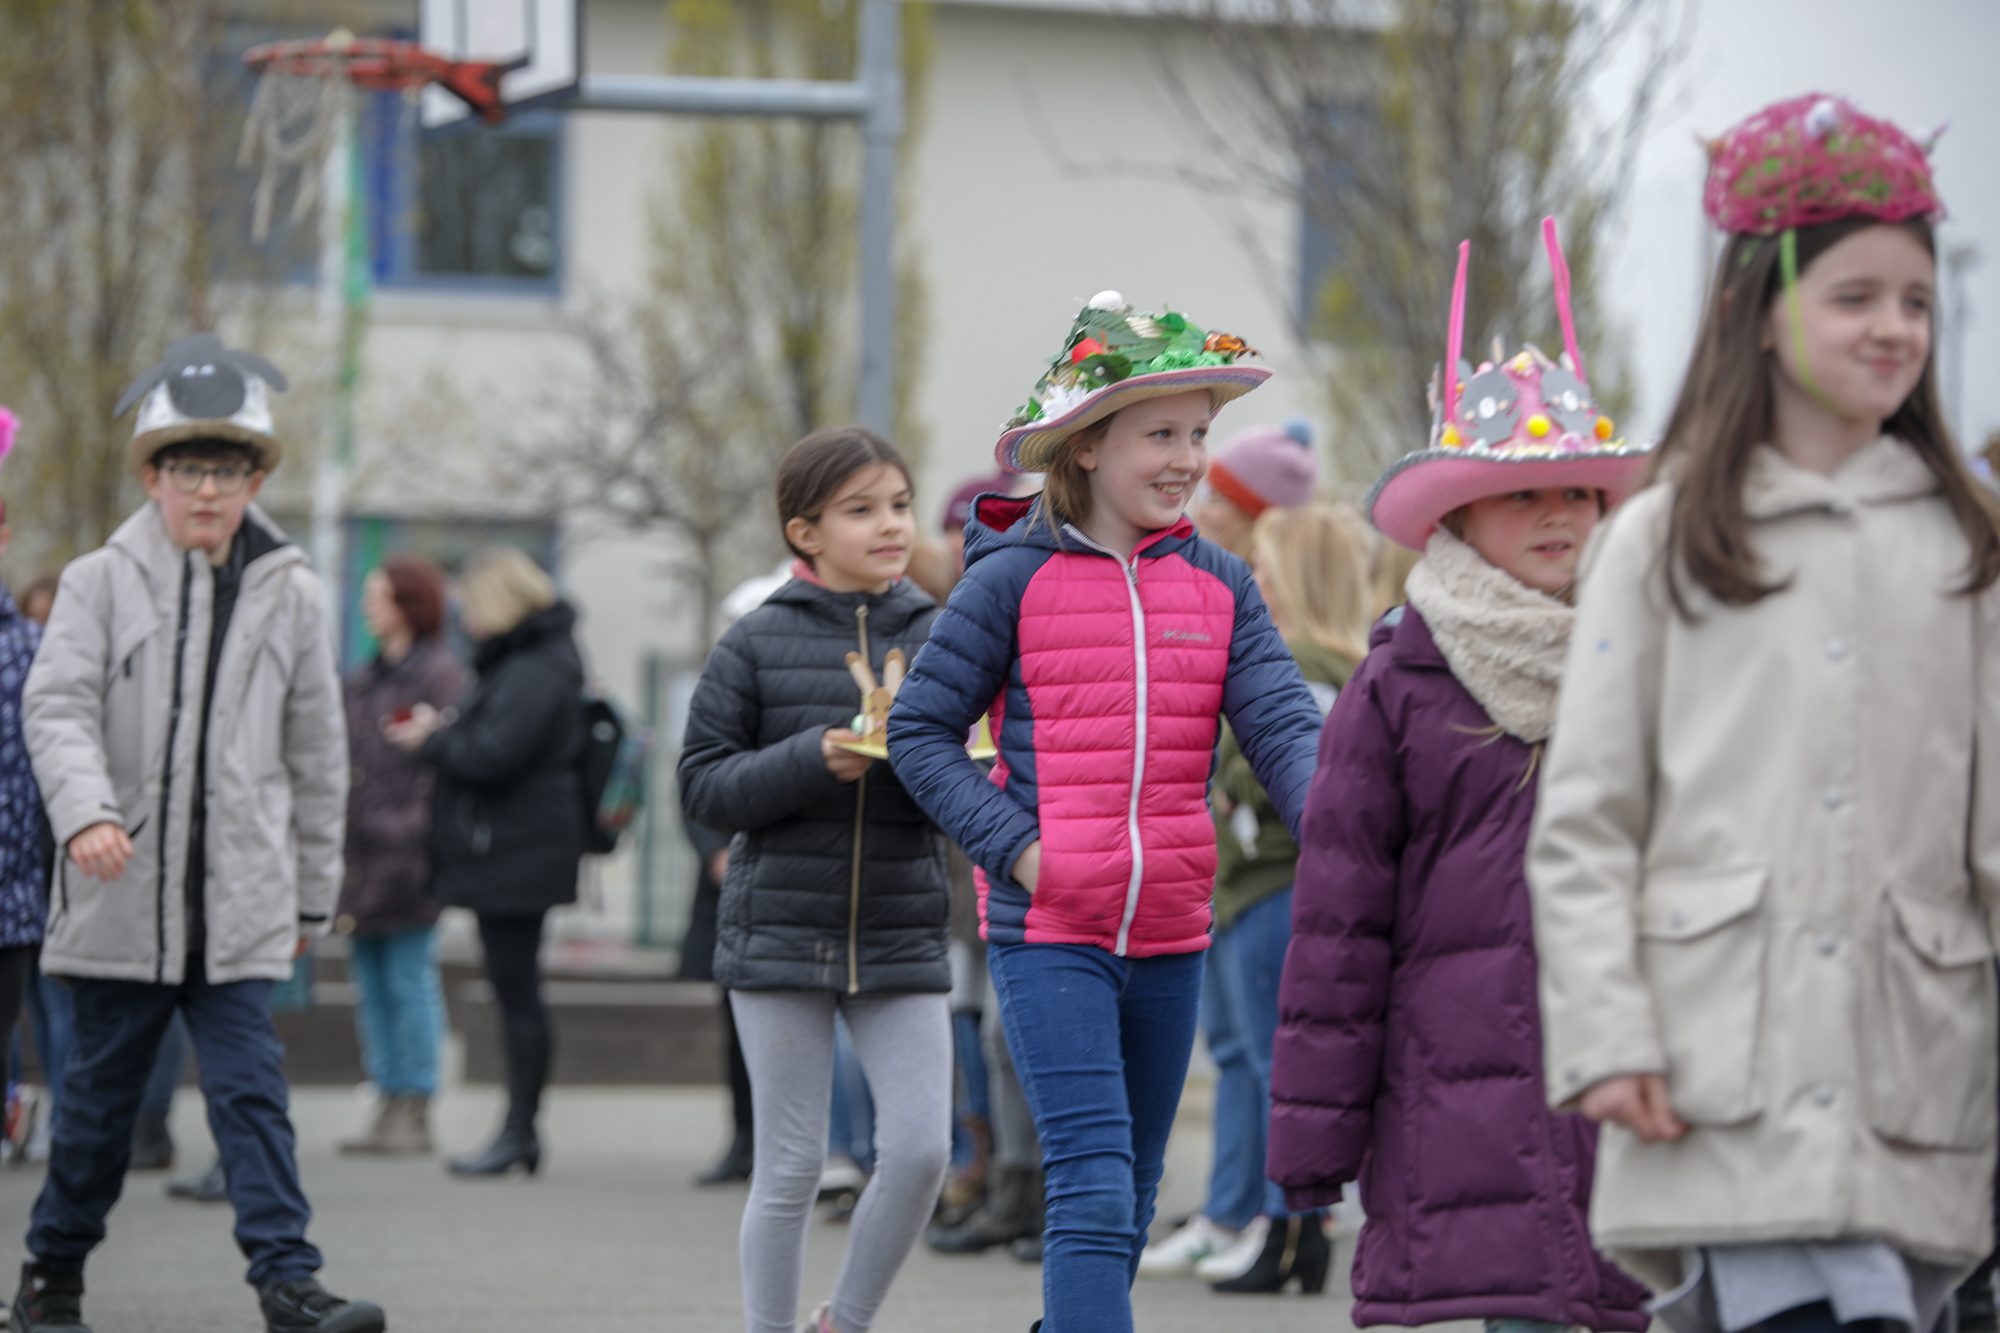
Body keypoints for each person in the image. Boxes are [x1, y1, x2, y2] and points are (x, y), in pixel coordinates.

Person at [1529, 94, 2000, 1333]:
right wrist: (1606, 1031)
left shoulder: (1969, 546)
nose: (1893, 327)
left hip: (1911, 1076)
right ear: (1755, 305)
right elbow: (1585, 822)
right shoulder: (1660, 538)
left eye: (1915, 298)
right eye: (1854, 296)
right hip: (1708, 1068)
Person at [887, 291, 1327, 1333]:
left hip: (1174, 926)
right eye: (1159, 434)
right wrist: (1019, 851)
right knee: (1087, 1188)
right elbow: (917, 735)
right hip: (1050, 928)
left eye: (1198, 434)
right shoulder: (1007, 581)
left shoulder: (1223, 583)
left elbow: (1286, 737)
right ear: (1084, 448)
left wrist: (1349, 844)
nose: (1185, 458)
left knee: (1127, 1194)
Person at [1267, 220, 1654, 1331]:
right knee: (1524, 1310)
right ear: (1453, 514)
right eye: (1521, 493)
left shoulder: (1655, 656)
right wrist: (1311, 1139)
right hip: (1465, 1099)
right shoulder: (1399, 681)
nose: (1556, 515)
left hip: (1632, 1082)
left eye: (1577, 494)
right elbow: (1340, 927)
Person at [13, 333, 382, 1333]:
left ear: (255, 477)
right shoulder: (97, 581)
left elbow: (316, 752)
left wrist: (313, 892)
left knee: (250, 1093)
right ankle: (52, 1276)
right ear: (152, 476)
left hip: (241, 904)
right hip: (119, 898)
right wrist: (86, 812)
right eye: (186, 469)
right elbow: (55, 708)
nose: (206, 490)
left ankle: (287, 1281)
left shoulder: (294, 592)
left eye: (226, 470)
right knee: (95, 1113)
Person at [678, 425, 952, 1333]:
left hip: (903, 924)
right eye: (862, 509)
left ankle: (847, 1321)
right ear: (805, 531)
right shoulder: (752, 641)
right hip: (778, 932)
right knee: (790, 1167)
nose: (891, 525)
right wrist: (812, 758)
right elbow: (704, 783)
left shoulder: (945, 634)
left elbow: (978, 768)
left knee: (918, 1150)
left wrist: (942, 764)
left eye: (901, 505)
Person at [1140, 417, 1325, 1285]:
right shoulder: (1218, 591)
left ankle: (1269, 1215)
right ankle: (1231, 1206)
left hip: (1265, 874)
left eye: (1222, 496)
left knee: (1262, 1052)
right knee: (1238, 1047)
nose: (1202, 507)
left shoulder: (1289, 633)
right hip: (1231, 874)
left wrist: (1231, 787)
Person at [1194, 501, 1374, 1295]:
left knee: (1277, 1066)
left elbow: (1301, 779)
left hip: (1273, 886)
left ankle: (1287, 1222)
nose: (1252, 581)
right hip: (1259, 887)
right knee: (1270, 1061)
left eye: (1266, 568)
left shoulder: (1302, 661)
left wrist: (1231, 784)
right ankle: (1287, 1221)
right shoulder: (1333, 662)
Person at [388, 545, 583, 1180]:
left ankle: (520, 1129)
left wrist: (434, 739)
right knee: (513, 988)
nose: (464, 618)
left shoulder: (535, 665)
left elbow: (497, 753)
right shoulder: (531, 661)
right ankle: (518, 1128)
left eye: (469, 605)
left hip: (520, 853)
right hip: (517, 849)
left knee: (516, 991)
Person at [335, 557, 464, 1156]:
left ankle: (415, 1102)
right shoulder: (362, 679)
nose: (367, 607)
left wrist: (408, 829)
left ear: (408, 604)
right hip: (358, 858)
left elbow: (445, 770)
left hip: (409, 859)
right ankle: (386, 1094)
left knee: (409, 979)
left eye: (377, 596)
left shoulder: (439, 677)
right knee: (370, 982)